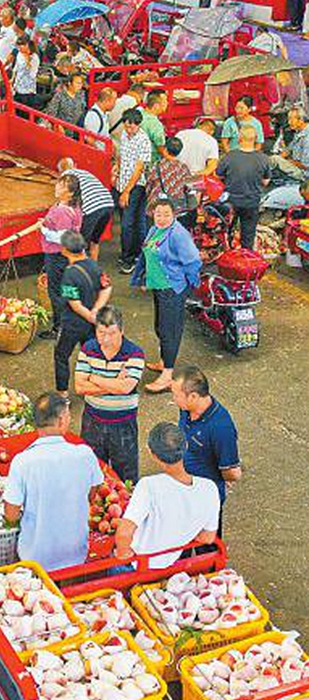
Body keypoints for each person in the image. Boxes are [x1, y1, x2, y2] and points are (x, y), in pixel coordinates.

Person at [3, 392, 104, 571]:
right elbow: (92, 494)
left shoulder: (22, 461)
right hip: (76, 555)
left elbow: (11, 514)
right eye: (68, 415)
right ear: (61, 421)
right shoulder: (85, 454)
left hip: (35, 559)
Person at [115, 422, 220, 569]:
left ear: (153, 455)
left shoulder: (148, 486)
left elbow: (124, 533)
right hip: (172, 561)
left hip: (140, 566)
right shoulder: (210, 488)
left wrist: (123, 554)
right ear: (186, 446)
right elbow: (207, 538)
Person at [132, 197, 201, 393]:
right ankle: (164, 361)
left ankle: (167, 376)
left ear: (174, 215)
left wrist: (189, 284)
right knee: (160, 326)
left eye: (166, 214)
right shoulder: (154, 229)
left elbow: (193, 261)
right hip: (158, 286)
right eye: (158, 214)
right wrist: (144, 279)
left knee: (169, 330)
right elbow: (146, 254)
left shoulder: (178, 234)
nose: (161, 218)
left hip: (172, 288)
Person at [73, 306, 145, 483]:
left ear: (122, 330)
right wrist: (114, 383)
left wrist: (94, 378)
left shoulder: (135, 353)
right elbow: (79, 387)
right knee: (92, 470)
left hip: (123, 424)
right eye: (101, 333)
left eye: (112, 333)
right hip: (92, 422)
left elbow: (125, 388)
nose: (105, 339)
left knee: (126, 476)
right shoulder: (88, 349)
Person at [172, 365, 241, 535]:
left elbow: (233, 473)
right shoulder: (186, 409)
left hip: (206, 498)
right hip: (184, 489)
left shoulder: (220, 427)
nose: (173, 399)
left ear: (193, 396)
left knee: (206, 543)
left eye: (176, 395)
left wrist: (221, 478)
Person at [54, 232, 112, 395]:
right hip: (91, 325)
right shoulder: (94, 265)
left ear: (64, 250)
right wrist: (96, 311)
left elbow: (75, 304)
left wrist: (90, 315)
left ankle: (63, 394)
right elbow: (107, 288)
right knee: (92, 356)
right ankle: (93, 389)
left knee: (61, 356)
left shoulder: (69, 273)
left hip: (72, 324)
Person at [39, 175, 84, 338]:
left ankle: (60, 328)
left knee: (56, 291)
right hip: (67, 255)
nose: (57, 187)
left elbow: (61, 237)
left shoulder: (62, 211)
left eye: (62, 185)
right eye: (58, 183)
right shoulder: (72, 207)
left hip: (57, 255)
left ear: (70, 193)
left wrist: (43, 229)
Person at [217, 124, 271, 249]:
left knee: (226, 233)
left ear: (239, 138)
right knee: (248, 235)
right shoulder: (263, 158)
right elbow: (266, 182)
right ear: (255, 139)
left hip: (230, 202)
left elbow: (218, 176)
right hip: (252, 201)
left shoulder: (229, 156)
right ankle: (246, 255)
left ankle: (228, 253)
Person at [114, 108, 152, 274]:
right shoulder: (124, 134)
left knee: (128, 223)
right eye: (126, 126)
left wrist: (126, 192)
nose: (129, 129)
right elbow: (121, 154)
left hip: (136, 186)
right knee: (133, 221)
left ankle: (128, 259)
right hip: (123, 183)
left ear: (138, 125)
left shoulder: (143, 140)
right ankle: (136, 254)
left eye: (132, 127)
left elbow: (139, 169)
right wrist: (116, 168)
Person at [58, 158, 115, 260]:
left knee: (79, 244)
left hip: (91, 209)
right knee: (95, 240)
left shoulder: (65, 177)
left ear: (60, 171)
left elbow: (65, 198)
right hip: (108, 203)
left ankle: (81, 267)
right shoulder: (85, 172)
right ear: (74, 165)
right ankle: (93, 267)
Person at [144, 136, 192, 217]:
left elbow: (149, 183)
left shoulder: (158, 165)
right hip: (177, 206)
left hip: (158, 205)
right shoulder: (183, 168)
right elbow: (188, 187)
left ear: (165, 150)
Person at [271, 106, 309, 180]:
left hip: (303, 174)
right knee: (272, 159)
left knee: (275, 159)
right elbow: (288, 151)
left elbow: (305, 165)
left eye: (291, 119)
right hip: (295, 166)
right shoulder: (299, 132)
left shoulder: (307, 137)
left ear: (301, 120)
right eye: (289, 119)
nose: (289, 122)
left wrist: (285, 161)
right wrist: (282, 154)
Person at [138, 89, 168, 161]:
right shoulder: (155, 125)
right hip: (150, 161)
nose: (167, 103)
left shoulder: (139, 112)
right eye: (165, 101)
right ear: (156, 106)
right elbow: (160, 148)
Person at [12, 37, 40, 107]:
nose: (20, 48)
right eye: (18, 46)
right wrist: (12, 79)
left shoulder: (34, 58)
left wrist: (27, 59)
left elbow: (32, 74)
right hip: (17, 87)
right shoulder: (19, 54)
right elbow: (16, 68)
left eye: (22, 45)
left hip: (28, 90)